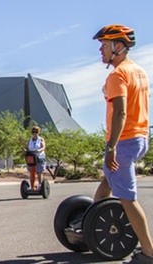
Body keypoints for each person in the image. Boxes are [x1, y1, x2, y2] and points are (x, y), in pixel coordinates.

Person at [92, 24, 153, 263]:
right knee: (108, 178)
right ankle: (90, 222)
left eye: (104, 46)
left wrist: (111, 148)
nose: (100, 50)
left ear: (118, 47)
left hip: (124, 140)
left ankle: (149, 252)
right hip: (139, 137)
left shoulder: (117, 74)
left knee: (127, 198)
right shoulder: (138, 71)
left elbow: (120, 113)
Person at [25, 126, 46, 191]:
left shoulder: (41, 139)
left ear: (38, 132)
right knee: (32, 171)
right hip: (31, 157)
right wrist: (25, 150)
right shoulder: (30, 140)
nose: (35, 133)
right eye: (33, 131)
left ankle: (40, 185)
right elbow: (27, 147)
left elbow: (43, 147)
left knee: (39, 172)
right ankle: (32, 186)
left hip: (39, 157)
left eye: (36, 131)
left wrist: (39, 150)